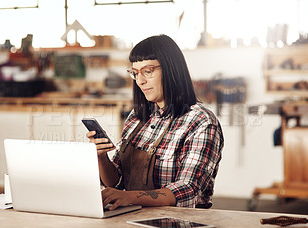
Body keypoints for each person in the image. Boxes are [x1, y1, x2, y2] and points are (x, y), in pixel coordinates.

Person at [87, 34, 224, 210]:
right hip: (131, 220)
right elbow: (117, 181)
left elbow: (188, 189)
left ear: (171, 69)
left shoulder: (201, 122)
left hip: (180, 224)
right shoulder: (136, 118)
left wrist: (129, 197)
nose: (140, 81)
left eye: (148, 71)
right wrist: (101, 157)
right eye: (135, 73)